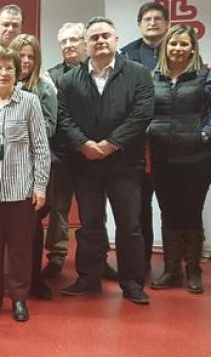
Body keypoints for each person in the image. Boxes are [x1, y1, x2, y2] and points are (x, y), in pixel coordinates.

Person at [54, 17, 154, 305]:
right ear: (86, 44)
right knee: (90, 224)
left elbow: (142, 114)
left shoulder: (138, 74)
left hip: (125, 164)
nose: (100, 41)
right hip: (85, 164)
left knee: (129, 226)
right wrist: (83, 144)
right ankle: (88, 278)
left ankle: (132, 282)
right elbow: (63, 117)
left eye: (105, 36)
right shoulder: (69, 80)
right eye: (94, 37)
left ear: (116, 40)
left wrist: (110, 144)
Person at [0, 47, 51, 322]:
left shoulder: (30, 103)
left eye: (9, 69)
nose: (3, 73)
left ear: (17, 74)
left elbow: (40, 148)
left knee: (19, 249)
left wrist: (40, 186)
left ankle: (18, 298)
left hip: (21, 191)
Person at [146, 25, 211, 294]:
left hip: (197, 158)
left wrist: (206, 133)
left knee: (192, 213)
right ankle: (171, 270)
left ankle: (193, 269)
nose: (178, 49)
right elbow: (143, 110)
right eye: (173, 44)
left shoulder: (207, 77)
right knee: (169, 213)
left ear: (193, 48)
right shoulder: (152, 77)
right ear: (165, 47)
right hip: (162, 157)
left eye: (183, 44)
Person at [120, 1, 170, 266]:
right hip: (136, 144)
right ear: (139, 24)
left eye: (158, 18)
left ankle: (176, 265)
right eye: (147, 19)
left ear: (167, 24)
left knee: (172, 207)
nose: (152, 23)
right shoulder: (126, 55)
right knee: (140, 208)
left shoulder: (177, 51)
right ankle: (142, 262)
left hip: (170, 143)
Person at [9, 34, 58, 301]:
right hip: (5, 170)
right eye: (22, 55)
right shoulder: (0, 84)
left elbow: (50, 127)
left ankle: (34, 277)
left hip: (34, 167)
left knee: (32, 226)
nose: (26, 61)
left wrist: (18, 129)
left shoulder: (44, 89)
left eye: (31, 56)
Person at [43, 22, 87, 278]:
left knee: (93, 210)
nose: (69, 45)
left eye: (74, 40)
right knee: (59, 209)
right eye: (64, 42)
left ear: (84, 43)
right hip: (61, 155)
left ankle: (95, 258)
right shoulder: (50, 76)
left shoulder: (97, 74)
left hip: (92, 154)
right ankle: (57, 257)